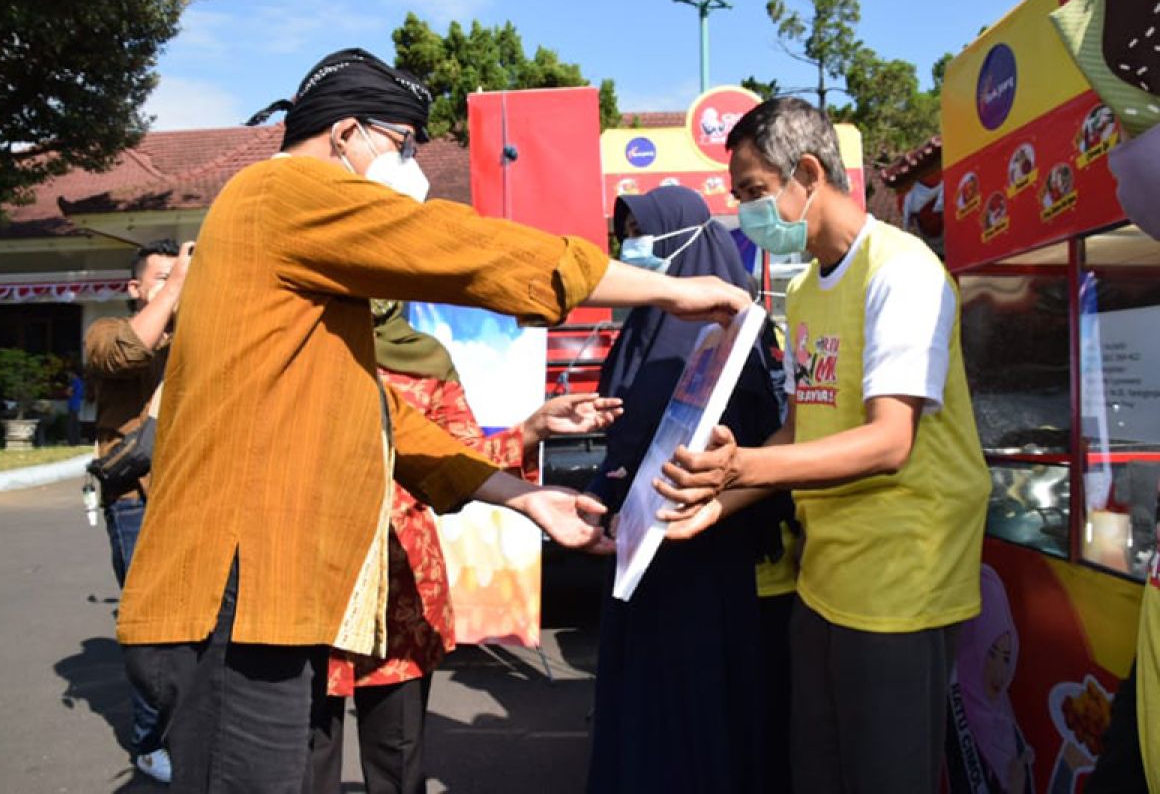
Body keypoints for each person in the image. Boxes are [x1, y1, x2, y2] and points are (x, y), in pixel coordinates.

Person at [115, 48, 749, 793]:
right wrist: (663, 291)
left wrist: (521, 496)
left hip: (261, 597)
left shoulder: (300, 261)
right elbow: (468, 250)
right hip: (236, 590)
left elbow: (380, 421)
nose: (411, 164)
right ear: (346, 133)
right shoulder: (284, 190)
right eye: (404, 143)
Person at [656, 97, 991, 793]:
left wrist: (744, 463)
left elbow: (889, 440)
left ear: (807, 172)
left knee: (885, 773)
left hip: (902, 579)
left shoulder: (902, 272)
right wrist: (721, 500)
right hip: (826, 578)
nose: (747, 211)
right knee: (818, 770)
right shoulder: (807, 292)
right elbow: (803, 430)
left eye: (753, 191)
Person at [303, 299, 623, 794]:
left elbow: (463, 459)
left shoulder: (424, 358)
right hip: (305, 584)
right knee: (304, 758)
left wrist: (533, 429)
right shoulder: (297, 344)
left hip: (400, 590)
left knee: (397, 759)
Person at [584, 185, 795, 793]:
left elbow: (746, 434)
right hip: (644, 548)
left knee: (689, 708)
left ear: (685, 239)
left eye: (644, 234)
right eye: (626, 236)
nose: (633, 248)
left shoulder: (722, 330)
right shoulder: (653, 321)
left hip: (697, 549)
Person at [84, 237, 192, 784]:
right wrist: (176, 288)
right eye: (162, 274)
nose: (179, 280)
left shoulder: (197, 335)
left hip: (195, 498)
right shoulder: (107, 331)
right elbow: (125, 353)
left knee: (202, 626)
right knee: (152, 628)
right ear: (134, 287)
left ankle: (190, 730)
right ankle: (150, 740)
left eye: (184, 272)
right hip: (137, 500)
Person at [946, 565, 1035, 793]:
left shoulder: (1006, 726)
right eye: (990, 654)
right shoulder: (949, 716)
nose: (999, 673)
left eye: (1006, 658)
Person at [65, 366, 84, 446]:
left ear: (73, 374)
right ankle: (76, 441)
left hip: (73, 404)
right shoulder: (80, 382)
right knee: (75, 424)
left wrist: (69, 393)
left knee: (71, 424)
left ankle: (72, 441)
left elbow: (68, 392)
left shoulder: (75, 382)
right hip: (77, 404)